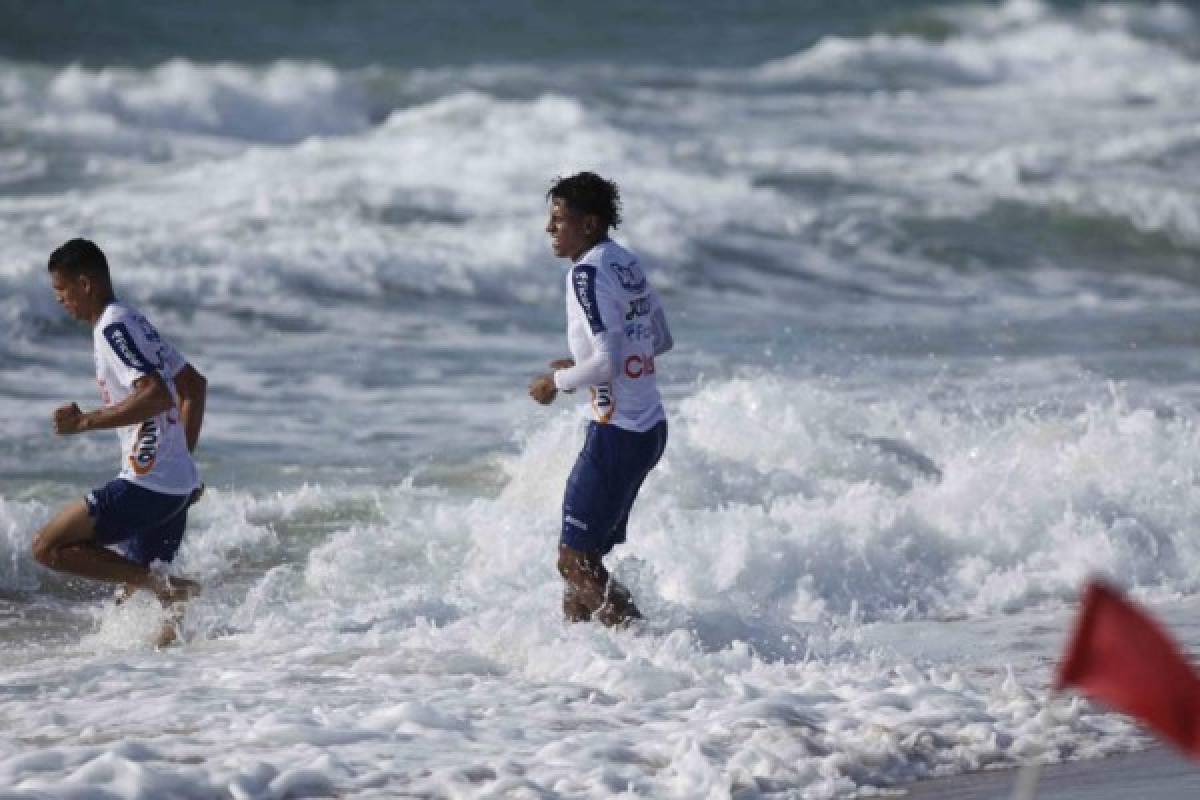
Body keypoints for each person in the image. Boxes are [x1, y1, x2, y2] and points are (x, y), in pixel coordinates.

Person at [32, 238, 207, 645]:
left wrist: (83, 423)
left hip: (148, 483)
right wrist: (181, 464)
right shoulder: (132, 320)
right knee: (143, 622)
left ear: (86, 284)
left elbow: (157, 394)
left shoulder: (113, 326)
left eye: (62, 290)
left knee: (48, 547)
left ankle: (169, 588)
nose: (60, 300)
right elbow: (193, 387)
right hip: (173, 485)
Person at [529, 172, 673, 626]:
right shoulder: (625, 261)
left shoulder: (586, 273)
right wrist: (581, 361)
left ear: (589, 224)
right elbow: (660, 338)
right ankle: (579, 666)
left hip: (617, 433)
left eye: (558, 220)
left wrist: (559, 381)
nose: (550, 230)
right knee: (581, 562)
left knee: (574, 563)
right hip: (648, 428)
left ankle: (650, 650)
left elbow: (608, 363)